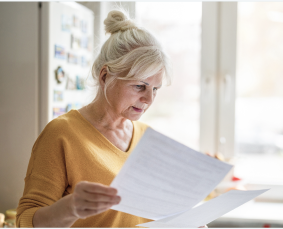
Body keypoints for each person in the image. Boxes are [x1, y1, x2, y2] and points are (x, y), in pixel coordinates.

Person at [16, 9, 172, 228]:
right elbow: (25, 221)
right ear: (105, 76)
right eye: (139, 86)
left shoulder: (148, 137)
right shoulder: (62, 134)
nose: (148, 99)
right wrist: (70, 209)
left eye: (155, 89)